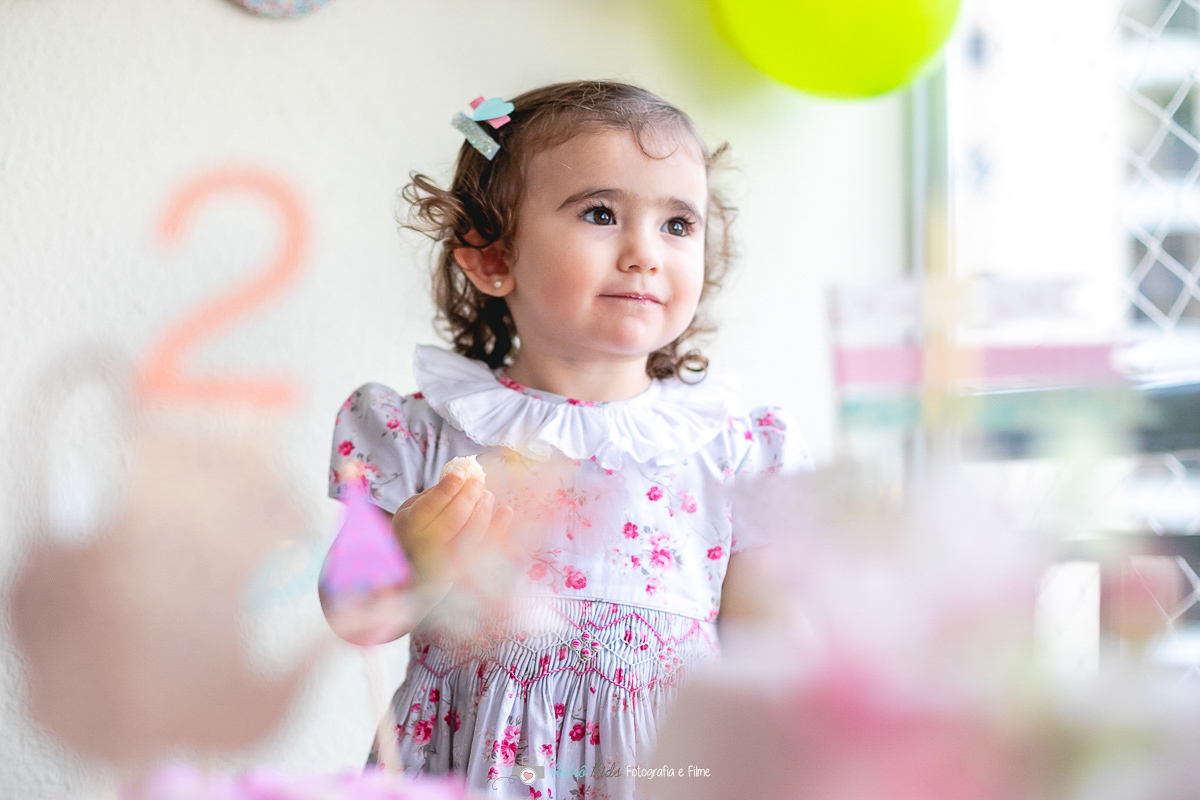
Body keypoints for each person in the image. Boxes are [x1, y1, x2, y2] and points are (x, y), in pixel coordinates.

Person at [322, 80, 811, 799]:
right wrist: (412, 561)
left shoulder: (733, 451)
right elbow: (356, 618)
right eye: (601, 213)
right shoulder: (416, 432)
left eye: (678, 225)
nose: (646, 252)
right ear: (493, 257)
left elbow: (773, 649)